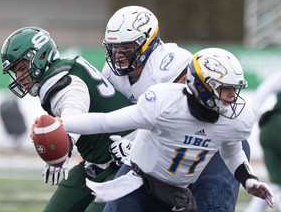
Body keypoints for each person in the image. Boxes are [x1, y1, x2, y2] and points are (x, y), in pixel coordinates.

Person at [46, 48, 274, 211]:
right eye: (226, 89)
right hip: (140, 184)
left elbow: (232, 150)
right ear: (204, 87)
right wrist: (62, 125)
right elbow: (107, 121)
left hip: (178, 193)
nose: (233, 97)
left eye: (234, 89)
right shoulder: (165, 104)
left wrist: (249, 180)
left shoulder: (234, 119)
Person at [101, 5, 251, 211]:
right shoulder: (111, 72)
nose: (118, 55)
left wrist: (131, 142)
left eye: (126, 48)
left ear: (148, 42)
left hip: (210, 145)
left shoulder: (171, 63)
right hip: (163, 152)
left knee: (213, 205)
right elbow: (115, 118)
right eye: (114, 48)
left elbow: (182, 118)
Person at [1, 26, 133, 212]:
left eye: (22, 68)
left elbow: (74, 111)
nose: (20, 77)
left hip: (125, 164)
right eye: (16, 72)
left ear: (40, 57)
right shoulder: (62, 71)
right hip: (96, 163)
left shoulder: (64, 83)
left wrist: (63, 144)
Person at [245, 71, 281, 212]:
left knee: (276, 183)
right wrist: (250, 117)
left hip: (270, 127)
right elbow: (264, 90)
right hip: (276, 127)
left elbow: (263, 91)